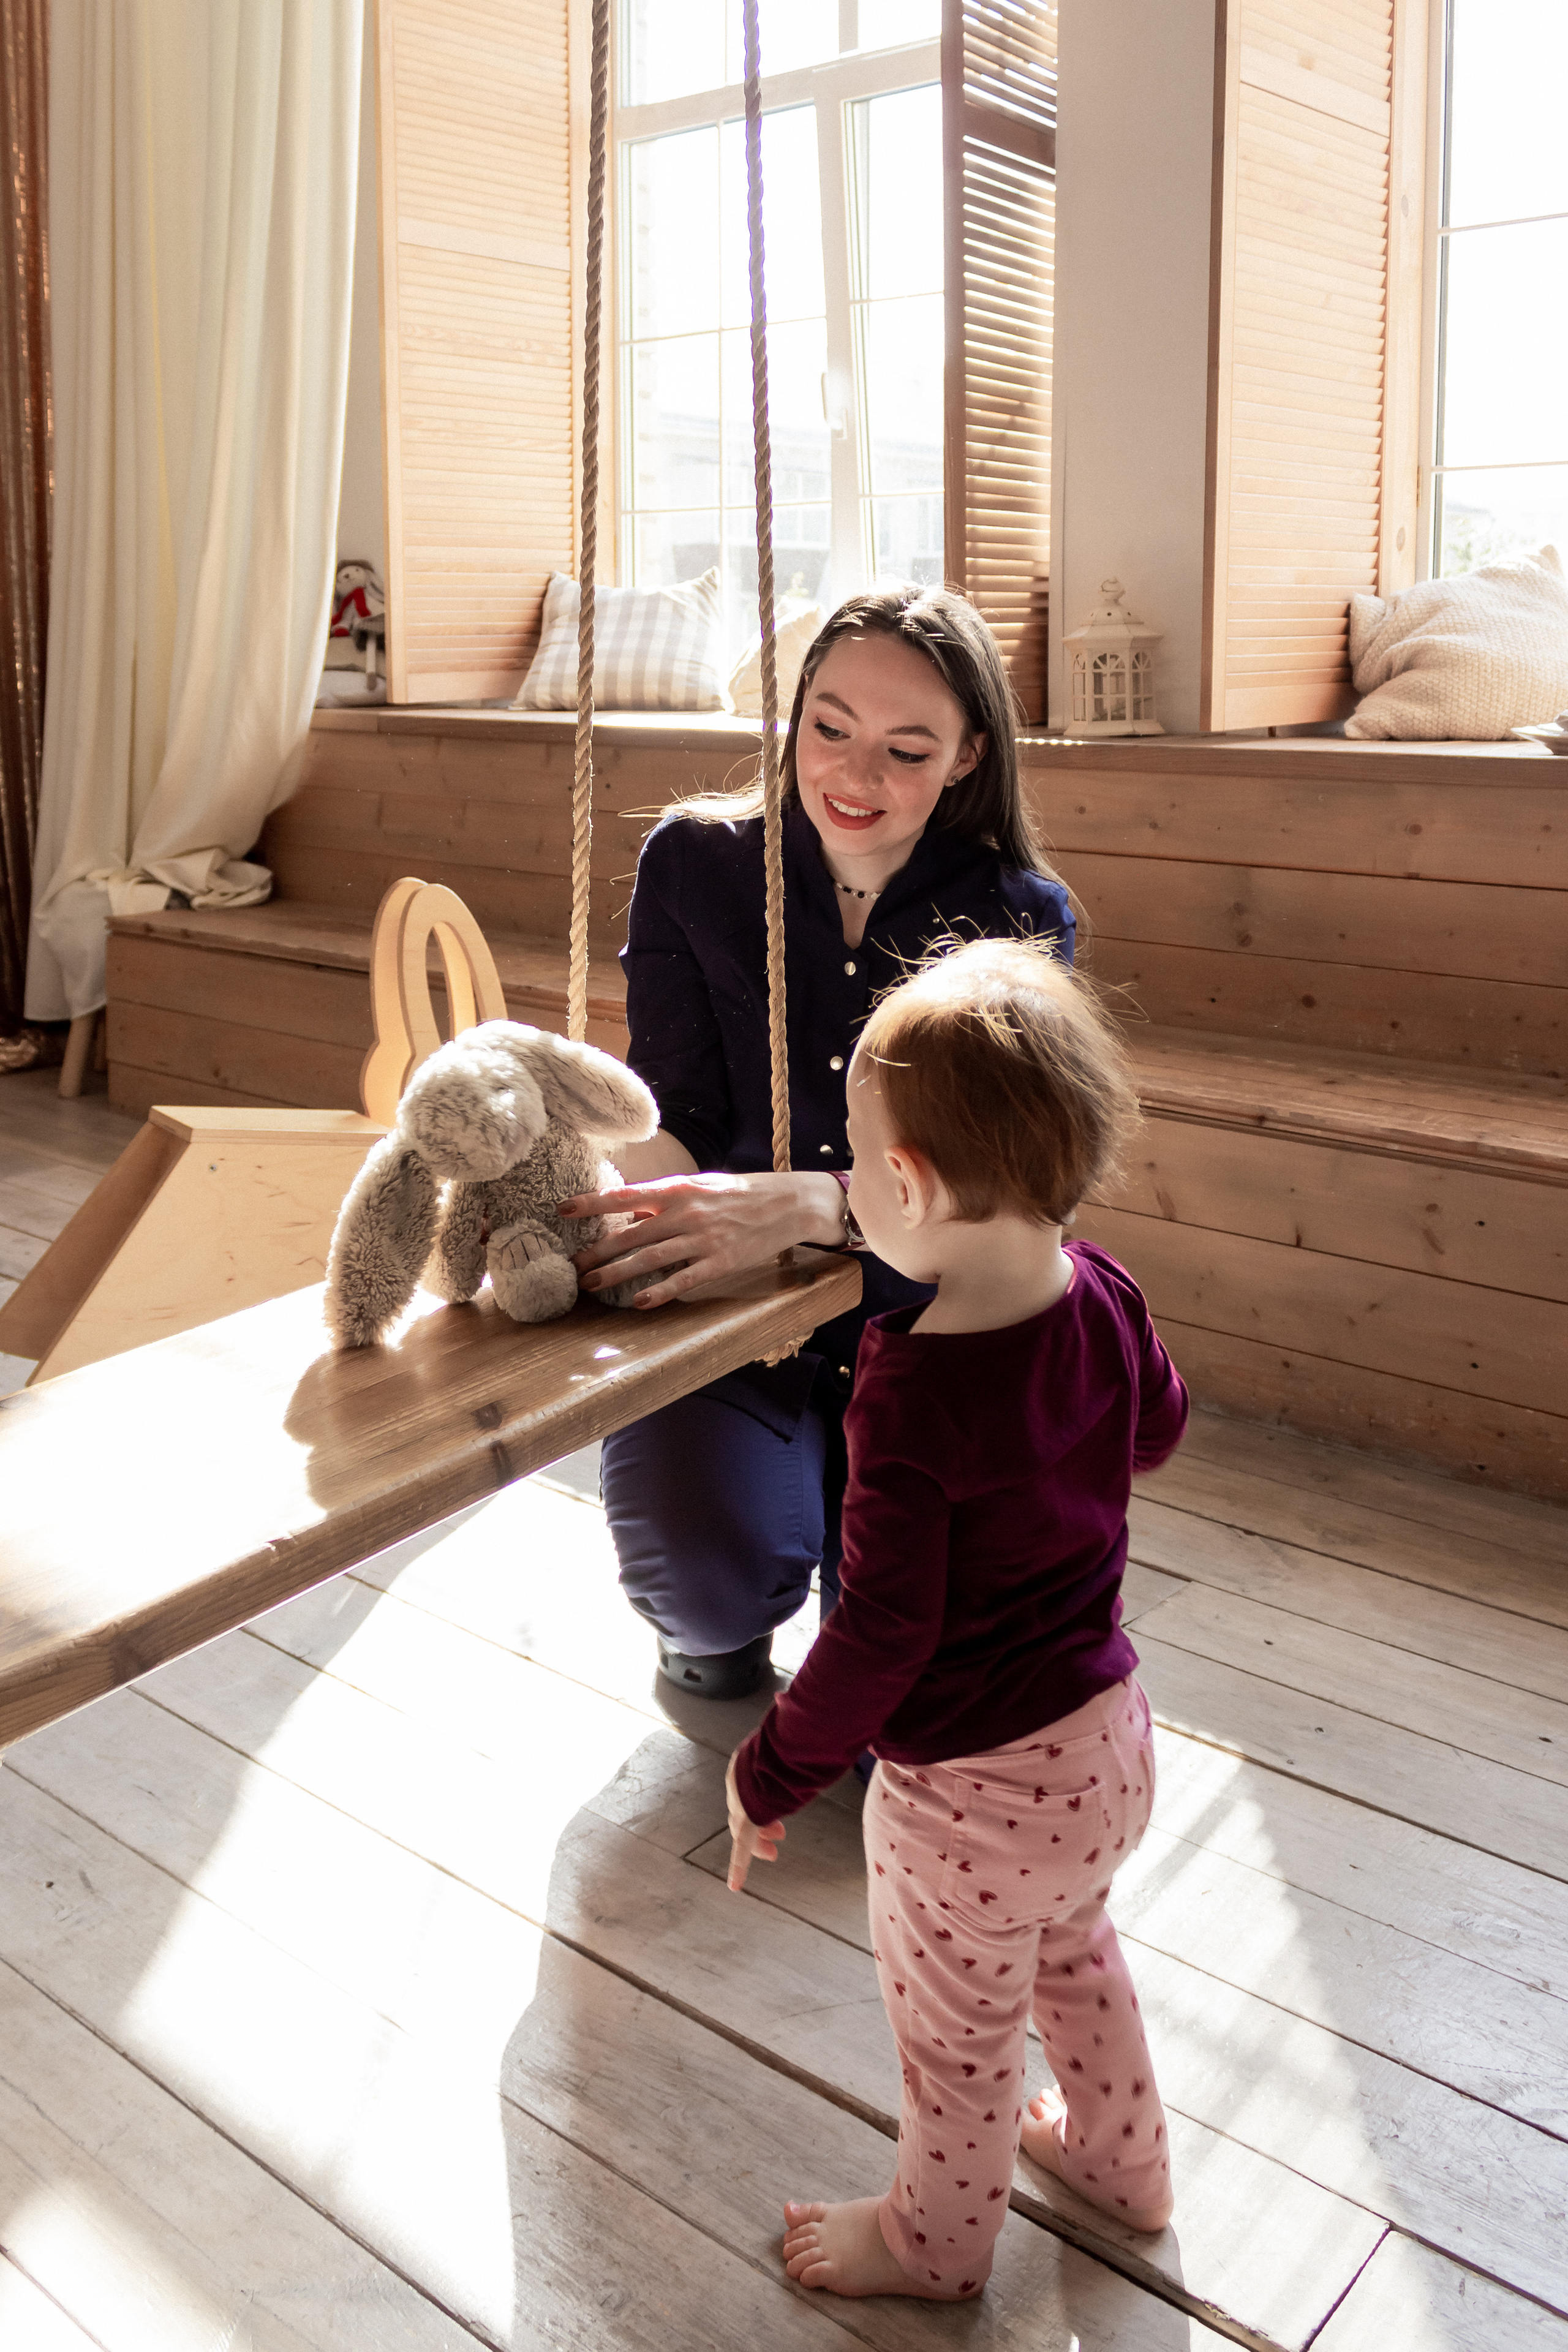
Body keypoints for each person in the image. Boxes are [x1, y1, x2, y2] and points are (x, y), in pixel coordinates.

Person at [723, 937, 1189, 2302]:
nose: (854, 1181)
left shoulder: (909, 1392)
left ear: (908, 1185)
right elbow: (1154, 1430)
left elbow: (879, 1635)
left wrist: (771, 1768)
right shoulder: (1098, 1289)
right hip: (1107, 1746)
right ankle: (1121, 2158)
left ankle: (933, 2245)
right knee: (1074, 1947)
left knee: (957, 2036)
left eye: (857, 1161)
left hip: (969, 1803)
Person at [559, 587, 1076, 1698]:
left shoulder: (1019, 917)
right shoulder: (696, 864)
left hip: (927, 1330)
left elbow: (1016, 1193)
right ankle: (716, 1630)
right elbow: (678, 1113)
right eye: (829, 727)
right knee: (700, 1580)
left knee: (914, 1686)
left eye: (907, 748)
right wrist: (579, 1178)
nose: (855, 775)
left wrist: (810, 1206)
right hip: (735, 1314)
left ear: (969, 758)